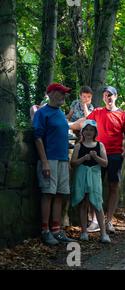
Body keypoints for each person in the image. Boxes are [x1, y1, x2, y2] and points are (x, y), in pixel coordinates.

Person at [33, 83, 76, 245]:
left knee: (60, 194)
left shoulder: (60, 113)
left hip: (62, 159)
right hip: (49, 159)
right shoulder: (42, 113)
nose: (64, 96)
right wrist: (44, 162)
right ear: (50, 94)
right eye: (60, 93)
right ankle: (45, 231)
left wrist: (67, 160)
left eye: (64, 93)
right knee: (48, 194)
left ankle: (56, 230)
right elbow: (37, 137)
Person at [86, 86, 125, 233]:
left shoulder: (122, 115)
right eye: (106, 95)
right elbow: (85, 125)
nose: (108, 97)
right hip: (97, 154)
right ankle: (94, 221)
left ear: (116, 96)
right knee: (94, 187)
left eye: (111, 95)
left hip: (114, 155)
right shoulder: (97, 112)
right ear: (103, 98)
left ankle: (109, 221)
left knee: (113, 187)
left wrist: (124, 152)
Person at [70, 120, 111, 243]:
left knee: (97, 203)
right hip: (81, 177)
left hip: (95, 177)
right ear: (82, 131)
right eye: (86, 129)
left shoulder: (100, 145)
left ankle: (103, 233)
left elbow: (105, 163)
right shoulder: (78, 146)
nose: (89, 132)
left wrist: (95, 157)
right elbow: (73, 163)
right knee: (83, 202)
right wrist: (84, 158)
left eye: (91, 130)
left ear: (95, 132)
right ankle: (84, 231)